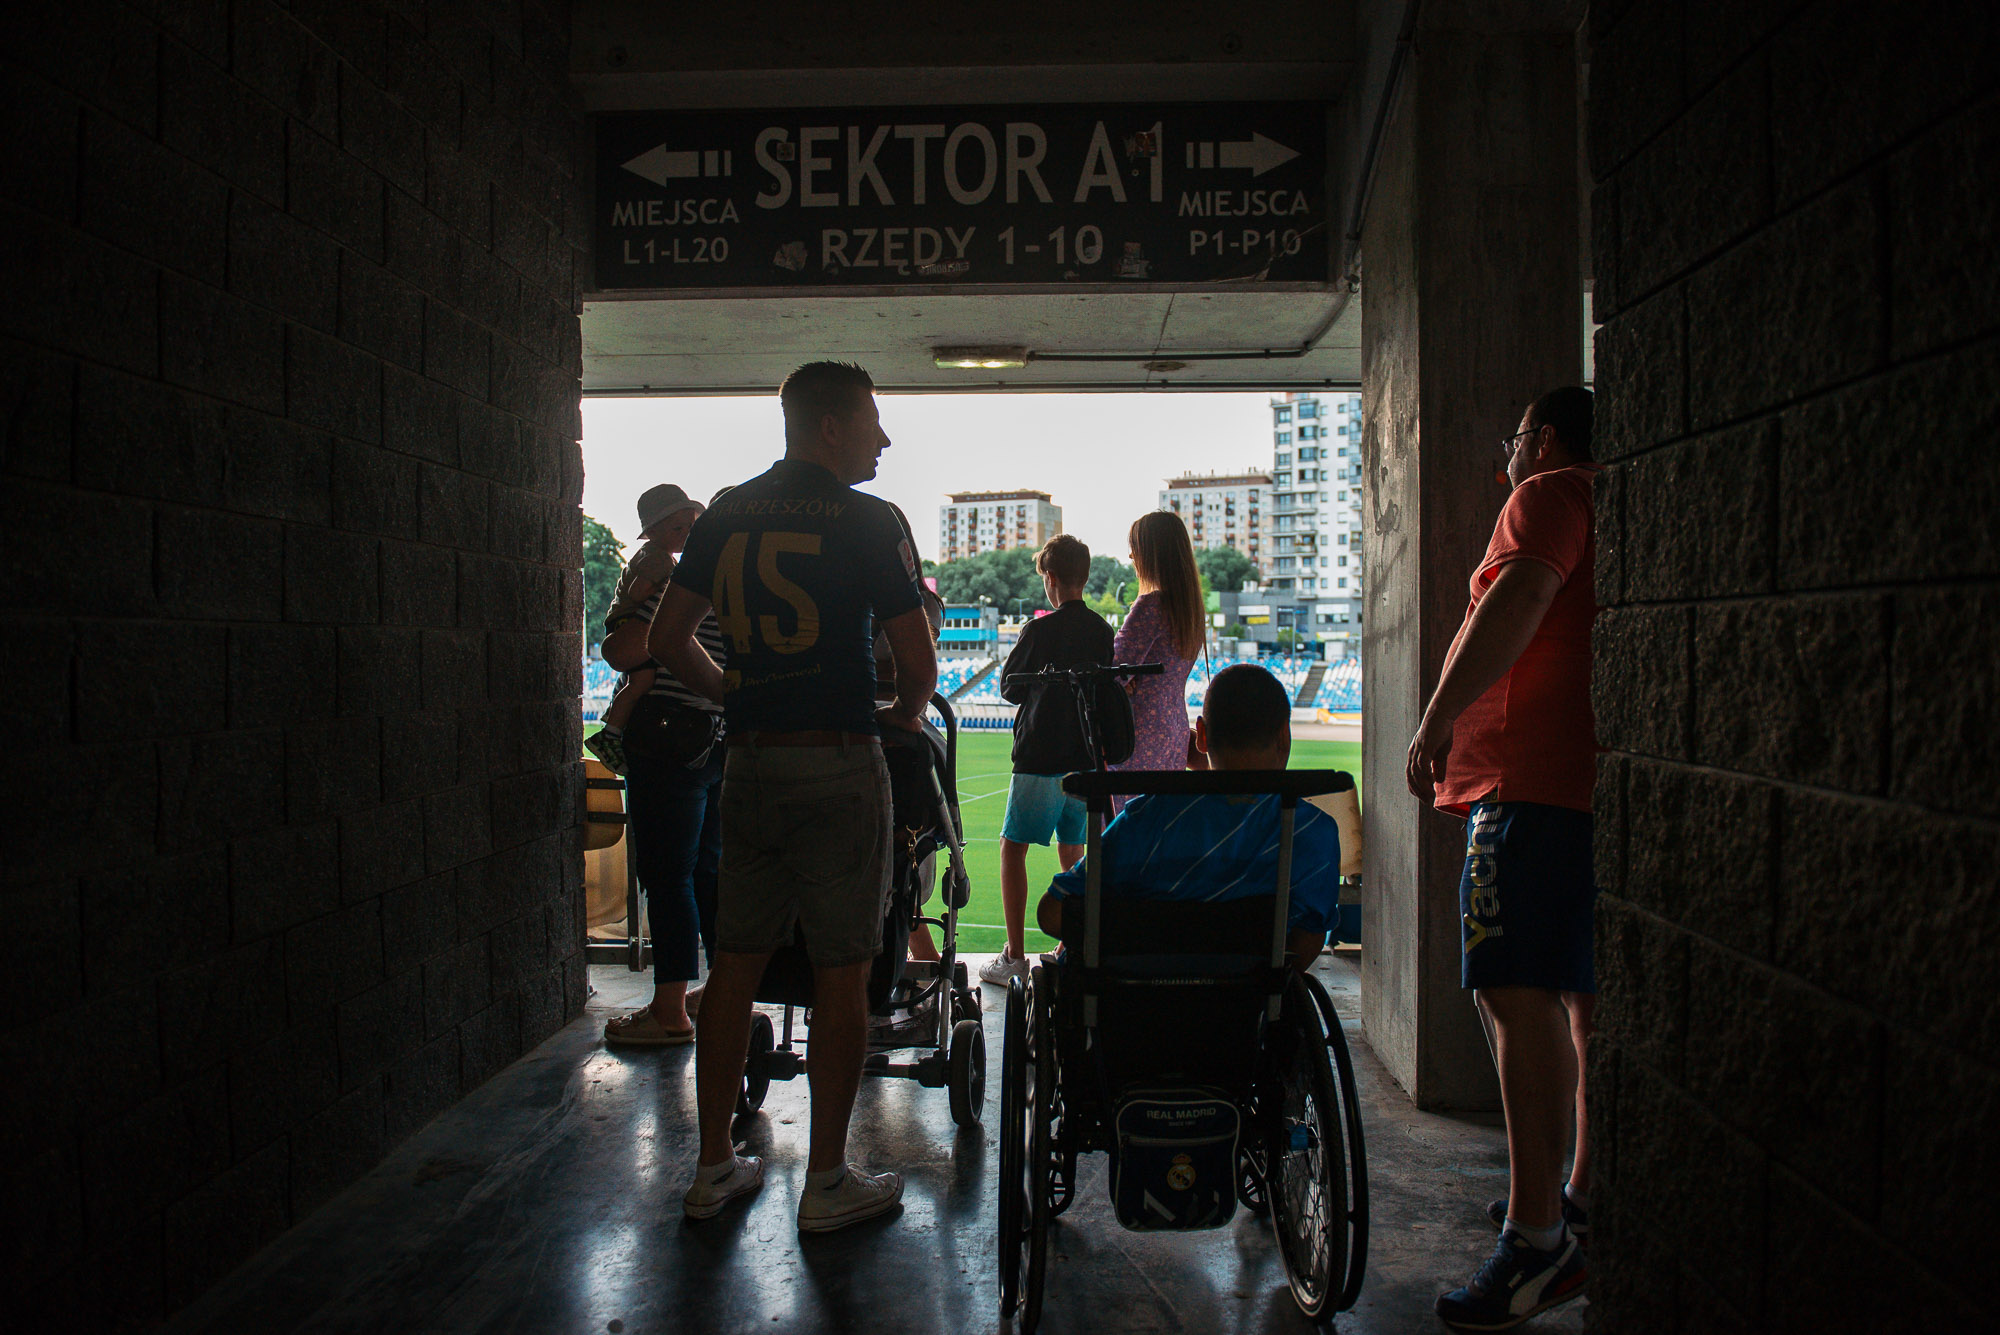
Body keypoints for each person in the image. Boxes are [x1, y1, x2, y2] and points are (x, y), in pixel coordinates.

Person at [649, 361, 938, 1233]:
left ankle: (713, 1167)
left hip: (750, 763)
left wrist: (734, 697)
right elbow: (917, 663)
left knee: (734, 964)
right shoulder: (871, 519)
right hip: (838, 762)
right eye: (873, 421)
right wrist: (901, 715)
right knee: (842, 970)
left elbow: (667, 636)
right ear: (831, 427)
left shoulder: (726, 510)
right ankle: (826, 1179)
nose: (885, 439)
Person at [1407, 387, 1598, 1332]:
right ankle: (1579, 1198)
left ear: (1546, 439)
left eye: (1516, 438)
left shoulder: (1548, 491)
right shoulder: (1608, 496)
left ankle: (1536, 1240)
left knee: (1511, 990)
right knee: (1579, 999)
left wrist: (1438, 716)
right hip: (1581, 783)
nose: (1509, 456)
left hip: (1526, 782)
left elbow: (1520, 595)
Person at [1035, 663, 1339, 970]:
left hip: (1137, 994)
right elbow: (1309, 938)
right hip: (1252, 997)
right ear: (1284, 736)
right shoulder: (1313, 831)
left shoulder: (1148, 817)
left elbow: (1052, 914)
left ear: (1201, 736)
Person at [596, 484, 727, 1047]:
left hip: (671, 741)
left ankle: (670, 1009)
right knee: (708, 872)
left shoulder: (682, 583)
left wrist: (629, 603)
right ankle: (720, 992)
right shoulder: (736, 583)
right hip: (717, 741)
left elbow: (623, 650)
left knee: (667, 877)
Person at [981, 533, 1115, 985]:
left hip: (1040, 755)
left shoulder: (1038, 630)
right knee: (1074, 850)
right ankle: (1069, 946)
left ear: (1051, 578)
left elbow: (1010, 688)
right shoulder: (1102, 630)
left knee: (1012, 848)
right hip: (1086, 759)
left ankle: (1015, 955)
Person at [586, 484, 704, 777]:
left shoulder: (657, 555)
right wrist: (670, 587)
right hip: (628, 622)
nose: (687, 534)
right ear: (652, 532)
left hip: (625, 622)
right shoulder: (658, 558)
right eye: (678, 528)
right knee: (642, 680)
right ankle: (610, 733)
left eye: (690, 527)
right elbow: (639, 592)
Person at [1110, 510, 1205, 810]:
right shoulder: (1190, 613)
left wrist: (1122, 682)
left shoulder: (1151, 606)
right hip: (1174, 730)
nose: (1131, 556)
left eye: (1135, 548)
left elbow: (1111, 673)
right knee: (1160, 822)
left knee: (1124, 826)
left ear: (1151, 554)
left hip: (1137, 734)